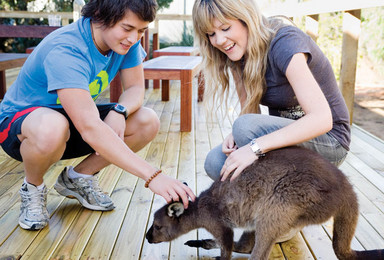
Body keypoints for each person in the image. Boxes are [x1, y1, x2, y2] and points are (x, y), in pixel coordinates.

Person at [0, 0, 195, 231]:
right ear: (101, 15)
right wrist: (153, 176)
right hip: (23, 129)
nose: (134, 38)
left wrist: (119, 111)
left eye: (141, 31)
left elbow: (134, 90)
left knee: (146, 121)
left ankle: (79, 178)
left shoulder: (126, 43)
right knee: (52, 126)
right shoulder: (67, 48)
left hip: (73, 121)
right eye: (127, 28)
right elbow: (89, 126)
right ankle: (32, 188)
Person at [192, 0, 350, 182]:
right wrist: (236, 137)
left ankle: (290, 199)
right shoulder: (236, 55)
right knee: (216, 163)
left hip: (329, 142)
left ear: (246, 19)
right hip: (286, 142)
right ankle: (276, 200)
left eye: (225, 28)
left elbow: (322, 120)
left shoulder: (284, 43)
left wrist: (254, 147)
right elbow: (249, 112)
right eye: (211, 34)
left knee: (244, 128)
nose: (219, 41)